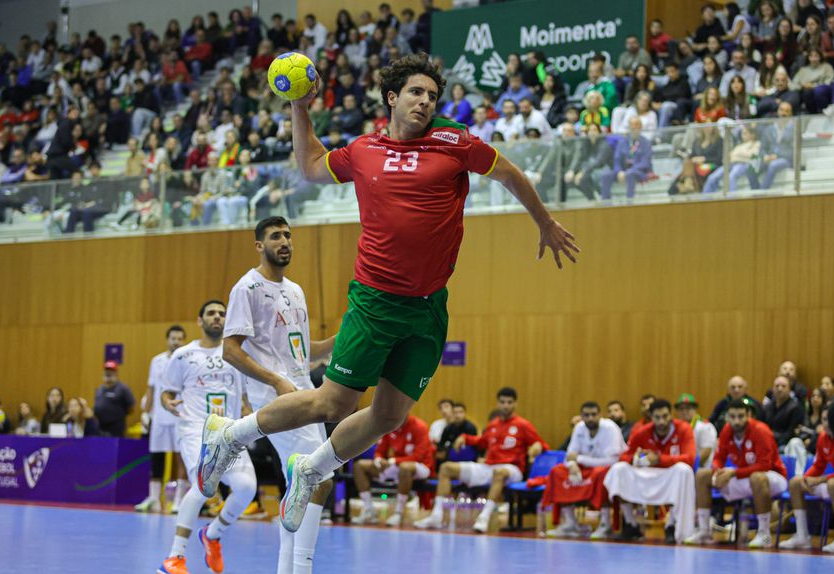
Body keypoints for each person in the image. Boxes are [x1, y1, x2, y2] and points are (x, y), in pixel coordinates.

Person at [196, 53, 578, 536]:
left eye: (433, 96)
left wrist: (544, 222)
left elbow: (509, 174)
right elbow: (312, 165)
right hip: (376, 300)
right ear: (393, 98)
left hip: (429, 308)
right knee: (332, 403)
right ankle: (230, 436)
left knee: (389, 416)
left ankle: (310, 469)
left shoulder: (454, 142)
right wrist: (300, 106)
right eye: (416, 92)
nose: (425, 102)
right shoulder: (363, 149)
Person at [221, 216, 336, 574]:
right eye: (275, 236)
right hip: (277, 398)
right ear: (259, 245)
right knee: (318, 477)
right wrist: (275, 381)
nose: (284, 241)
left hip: (306, 394)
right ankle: (302, 568)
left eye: (288, 235)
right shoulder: (248, 288)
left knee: (300, 484)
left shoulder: (297, 290)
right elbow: (230, 349)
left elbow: (304, 353)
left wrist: (342, 338)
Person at [157, 300, 257, 574]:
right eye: (211, 313)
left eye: (222, 314)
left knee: (247, 488)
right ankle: (175, 557)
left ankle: (212, 535)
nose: (217, 317)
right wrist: (168, 403)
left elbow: (246, 393)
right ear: (199, 321)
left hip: (230, 431)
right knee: (203, 486)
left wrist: (248, 408)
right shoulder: (183, 355)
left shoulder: (237, 354)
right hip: (196, 431)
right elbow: (167, 391)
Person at [414, 387, 547, 533]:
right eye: (503, 402)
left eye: (509, 402)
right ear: (498, 403)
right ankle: (436, 515)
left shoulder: (523, 425)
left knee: (500, 472)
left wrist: (537, 446)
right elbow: (481, 442)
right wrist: (465, 438)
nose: (506, 406)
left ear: (515, 404)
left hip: (511, 469)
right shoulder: (493, 425)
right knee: (446, 468)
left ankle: (484, 517)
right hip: (489, 467)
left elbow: (540, 443)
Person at [685, 399, 788, 548]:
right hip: (746, 477)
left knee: (757, 477)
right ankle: (704, 530)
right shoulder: (727, 430)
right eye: (732, 417)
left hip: (773, 476)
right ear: (727, 417)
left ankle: (765, 536)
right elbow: (718, 459)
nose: (736, 421)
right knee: (702, 475)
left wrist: (733, 473)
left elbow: (764, 465)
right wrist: (717, 473)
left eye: (740, 416)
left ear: (749, 415)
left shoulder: (761, 430)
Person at [604, 399, 696, 544]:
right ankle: (630, 523)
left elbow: (690, 458)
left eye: (665, 416)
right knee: (618, 469)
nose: (661, 421)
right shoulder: (642, 431)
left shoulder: (683, 429)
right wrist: (637, 459)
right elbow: (624, 456)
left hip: (669, 474)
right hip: (647, 473)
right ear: (651, 417)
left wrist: (659, 459)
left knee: (684, 470)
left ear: (671, 415)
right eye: (657, 417)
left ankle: (671, 524)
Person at [542, 401, 626, 539]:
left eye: (594, 415)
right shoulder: (579, 428)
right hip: (588, 467)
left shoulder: (611, 428)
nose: (590, 418)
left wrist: (579, 460)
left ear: (601, 415)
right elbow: (569, 456)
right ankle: (570, 523)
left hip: (609, 469)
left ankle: (605, 524)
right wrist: (572, 465)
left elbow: (612, 460)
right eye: (586, 415)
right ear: (581, 416)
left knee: (601, 474)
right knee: (557, 472)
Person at [136, 325, 189, 514]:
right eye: (173, 338)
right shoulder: (156, 361)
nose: (176, 341)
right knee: (156, 457)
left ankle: (179, 499)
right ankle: (153, 499)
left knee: (180, 457)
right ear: (167, 340)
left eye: (179, 338)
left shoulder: (186, 359)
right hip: (159, 415)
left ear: (184, 340)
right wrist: (146, 412)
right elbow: (151, 388)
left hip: (179, 414)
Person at [352, 413, 435, 526]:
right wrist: (379, 459)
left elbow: (418, 456)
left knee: (405, 467)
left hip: (422, 466)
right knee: (359, 465)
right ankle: (369, 511)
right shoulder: (391, 426)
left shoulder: (420, 427)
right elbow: (380, 450)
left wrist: (393, 461)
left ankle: (398, 513)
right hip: (398, 465)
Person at [779, 408, 834, 553]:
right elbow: (818, 465)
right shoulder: (823, 438)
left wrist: (822, 479)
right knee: (795, 482)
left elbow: (824, 477)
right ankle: (802, 535)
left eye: (832, 420)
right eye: (825, 420)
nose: (828, 424)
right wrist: (806, 479)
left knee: (833, 484)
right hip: (833, 483)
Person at [599, 117, 652, 200]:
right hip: (622, 171)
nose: (634, 128)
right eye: (632, 125)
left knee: (630, 174)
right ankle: (605, 202)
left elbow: (645, 162)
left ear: (641, 127)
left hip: (639, 172)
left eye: (637, 125)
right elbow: (617, 159)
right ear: (629, 127)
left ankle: (629, 202)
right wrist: (619, 171)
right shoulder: (623, 142)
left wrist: (629, 171)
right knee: (606, 175)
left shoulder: (646, 142)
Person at [764, 374, 807, 474]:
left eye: (783, 386)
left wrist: (774, 443)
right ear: (773, 389)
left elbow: (791, 432)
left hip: (786, 444)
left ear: (789, 389)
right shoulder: (767, 407)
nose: (780, 389)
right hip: (768, 442)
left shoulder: (796, 408)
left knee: (794, 442)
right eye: (777, 386)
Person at [93, 360, 135, 437]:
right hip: (100, 426)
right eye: (106, 370)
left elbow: (131, 407)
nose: (108, 373)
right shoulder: (100, 389)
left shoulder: (123, 389)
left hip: (116, 428)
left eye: (111, 371)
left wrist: (117, 415)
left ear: (116, 373)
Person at [674, 394, 717, 468]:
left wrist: (692, 466)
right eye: (681, 409)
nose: (684, 412)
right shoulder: (676, 428)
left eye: (688, 408)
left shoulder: (705, 426)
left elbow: (706, 452)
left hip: (701, 468)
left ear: (695, 410)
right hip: (683, 466)